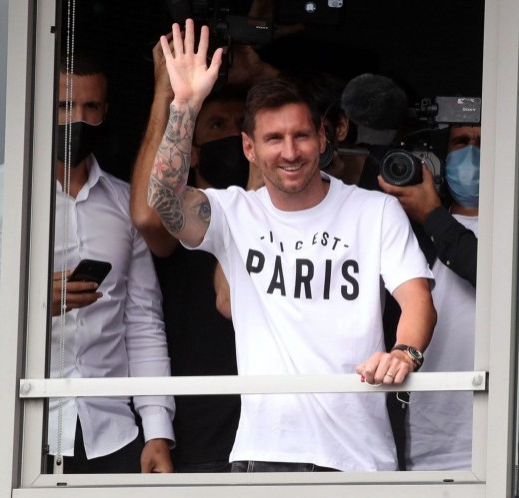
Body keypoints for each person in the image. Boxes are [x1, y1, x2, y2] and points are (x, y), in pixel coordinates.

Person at [147, 21, 436, 472]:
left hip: (357, 459)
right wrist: (184, 105)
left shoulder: (374, 211)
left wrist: (405, 352)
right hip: (264, 456)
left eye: (300, 135)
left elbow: (417, 297)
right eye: (273, 139)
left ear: (322, 138)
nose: (290, 151)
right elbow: (163, 202)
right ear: (248, 148)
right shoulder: (233, 212)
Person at [0, 53, 175, 486]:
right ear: (41, 108)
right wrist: (30, 302)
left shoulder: (124, 202)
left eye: (91, 107)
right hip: (8, 427)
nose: (78, 119)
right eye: (64, 106)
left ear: (106, 112)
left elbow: (143, 324)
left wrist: (157, 429)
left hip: (111, 433)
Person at [130, 39, 258, 473]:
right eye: (217, 124)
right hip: (200, 428)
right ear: (193, 146)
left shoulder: (276, 210)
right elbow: (147, 215)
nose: (231, 135)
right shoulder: (185, 217)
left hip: (273, 432)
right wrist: (167, 95)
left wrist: (261, 75)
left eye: (241, 125)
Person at [379, 124, 481, 470]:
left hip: (503, 445)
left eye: (483, 143)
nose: (472, 154)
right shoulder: (410, 235)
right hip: (424, 444)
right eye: (460, 142)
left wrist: (433, 215)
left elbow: (492, 273)